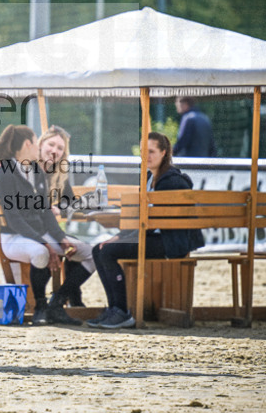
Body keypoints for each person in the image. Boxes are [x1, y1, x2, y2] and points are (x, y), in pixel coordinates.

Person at [88, 132, 205, 329]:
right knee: (98, 249)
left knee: (108, 251)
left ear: (164, 153)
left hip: (169, 243)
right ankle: (115, 309)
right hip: (153, 237)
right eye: (143, 151)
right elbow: (141, 220)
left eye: (151, 151)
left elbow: (153, 224)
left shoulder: (172, 181)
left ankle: (122, 312)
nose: (146, 156)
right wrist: (119, 236)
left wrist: (121, 238)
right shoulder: (149, 177)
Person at [0, 125, 92, 326]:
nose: (39, 148)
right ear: (28, 144)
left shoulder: (36, 171)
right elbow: (14, 220)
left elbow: (45, 211)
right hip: (14, 237)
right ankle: (40, 307)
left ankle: (58, 302)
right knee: (41, 252)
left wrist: (61, 239)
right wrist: (45, 243)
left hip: (39, 234)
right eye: (39, 143)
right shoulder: (6, 174)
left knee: (91, 252)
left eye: (59, 147)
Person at [37, 125, 96, 321]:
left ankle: (64, 300)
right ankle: (61, 301)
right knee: (82, 250)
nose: (54, 151)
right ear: (40, 144)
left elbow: (69, 202)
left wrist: (58, 208)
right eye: (51, 144)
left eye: (60, 148)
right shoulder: (28, 170)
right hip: (30, 233)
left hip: (49, 231)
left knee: (80, 249)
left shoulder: (59, 174)